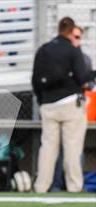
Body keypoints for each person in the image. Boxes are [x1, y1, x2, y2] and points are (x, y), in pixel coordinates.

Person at [32, 17, 96, 193]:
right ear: (70, 32)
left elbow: (35, 80)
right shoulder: (72, 50)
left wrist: (41, 99)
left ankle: (41, 187)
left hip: (48, 104)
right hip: (69, 104)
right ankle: (74, 187)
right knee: (72, 148)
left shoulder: (44, 50)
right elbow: (82, 78)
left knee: (48, 149)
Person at [50, 25, 93, 192]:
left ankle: (74, 185)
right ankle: (56, 184)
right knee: (57, 148)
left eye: (77, 37)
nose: (74, 40)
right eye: (72, 37)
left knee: (74, 148)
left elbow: (87, 82)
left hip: (75, 107)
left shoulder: (84, 58)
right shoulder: (56, 56)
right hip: (57, 105)